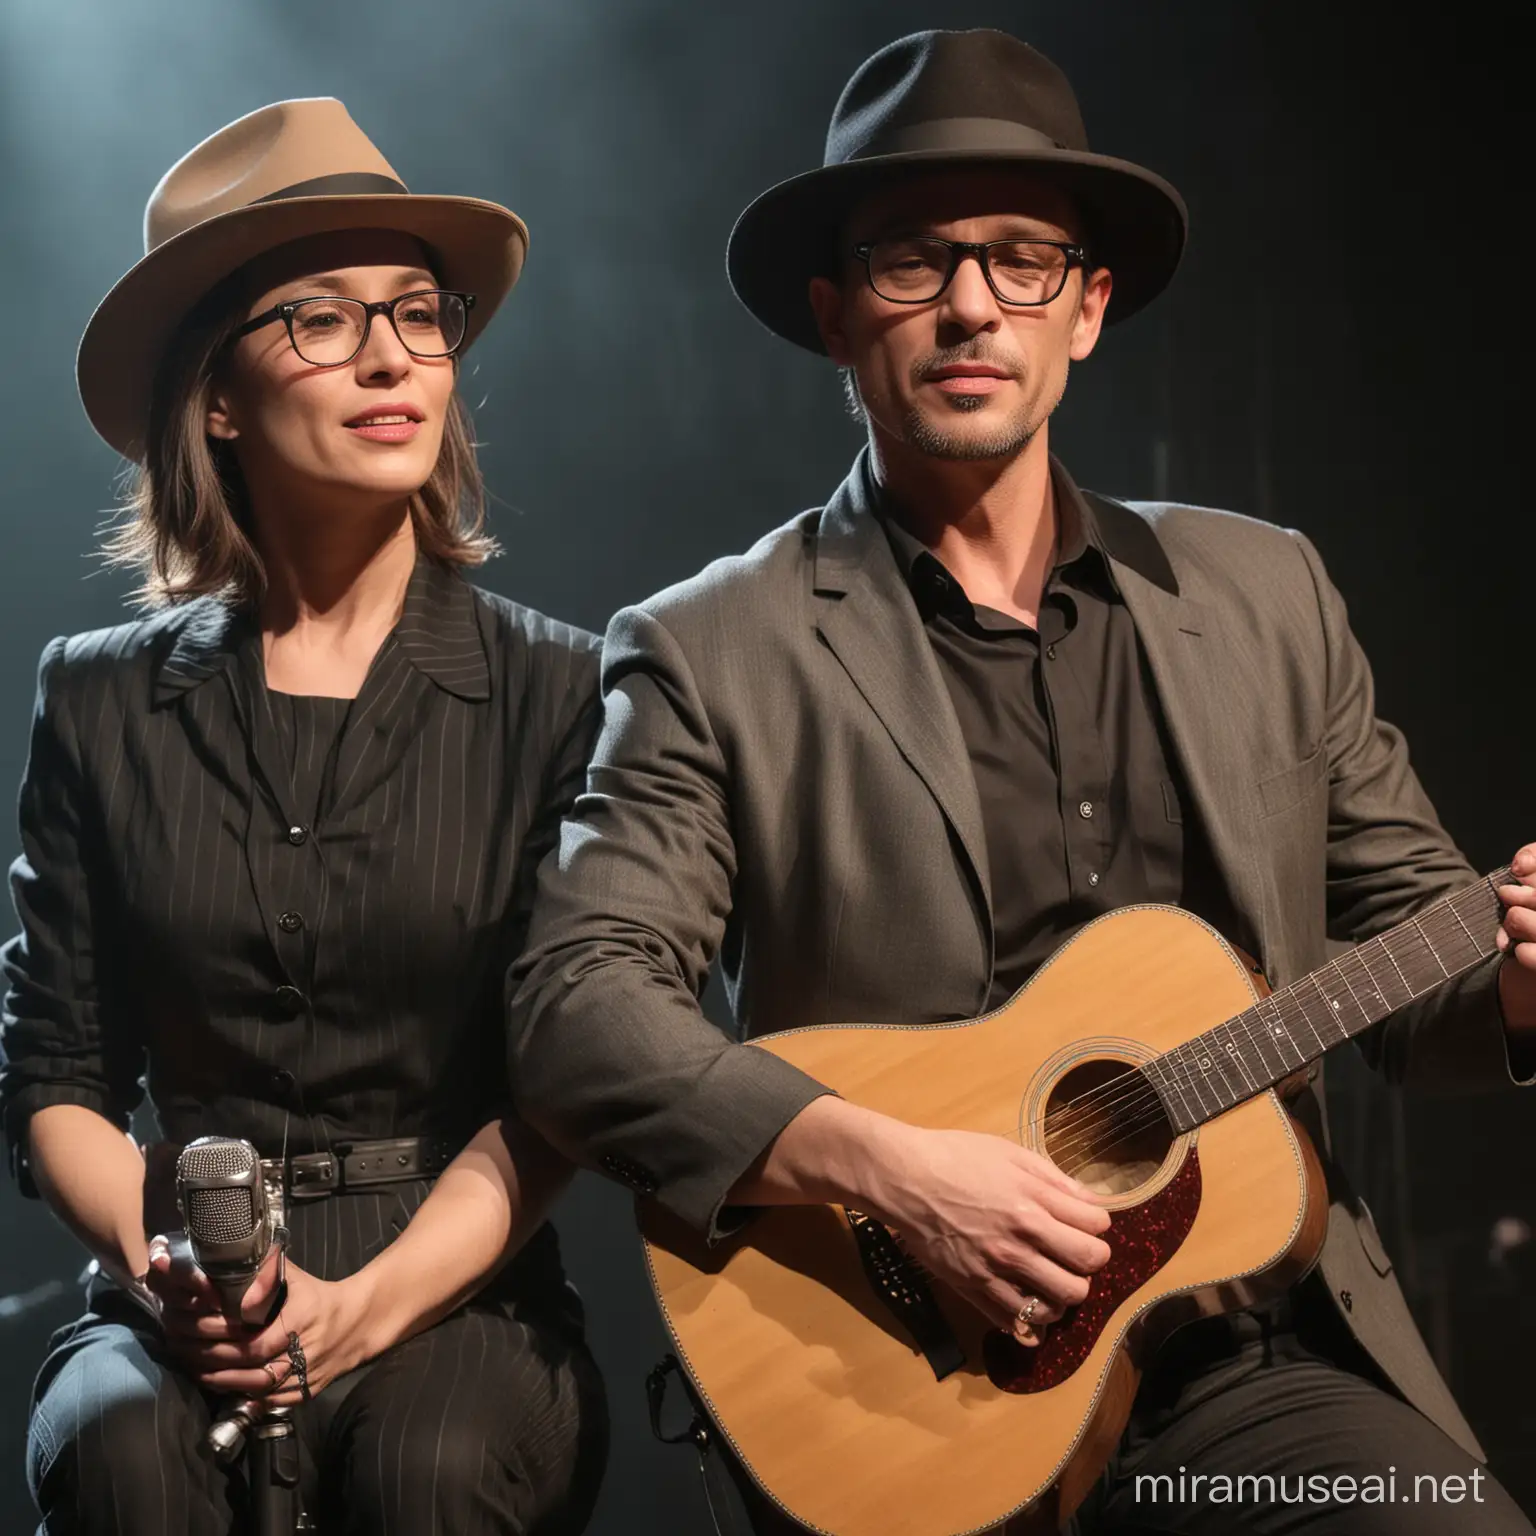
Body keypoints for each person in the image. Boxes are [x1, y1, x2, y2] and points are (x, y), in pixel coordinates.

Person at [507, 29, 1536, 1535]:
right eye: (914, 260)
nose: (973, 302)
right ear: (835, 315)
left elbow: (1419, 954)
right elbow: (575, 1008)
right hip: (905, 1394)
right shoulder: (710, 645)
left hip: (1243, 1379)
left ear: (1090, 310)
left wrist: (1513, 980)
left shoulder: (1263, 592)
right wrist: (901, 1173)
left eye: (1022, 261)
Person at [0, 98, 606, 1534]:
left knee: (429, 1472)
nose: (391, 354)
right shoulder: (96, 702)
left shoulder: (560, 689)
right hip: (176, 1296)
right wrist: (165, 1269)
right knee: (127, 1458)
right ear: (217, 393)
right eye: (321, 320)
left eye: (416, 311)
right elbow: (55, 1077)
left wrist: (372, 1304)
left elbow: (571, 1085)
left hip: (459, 1286)